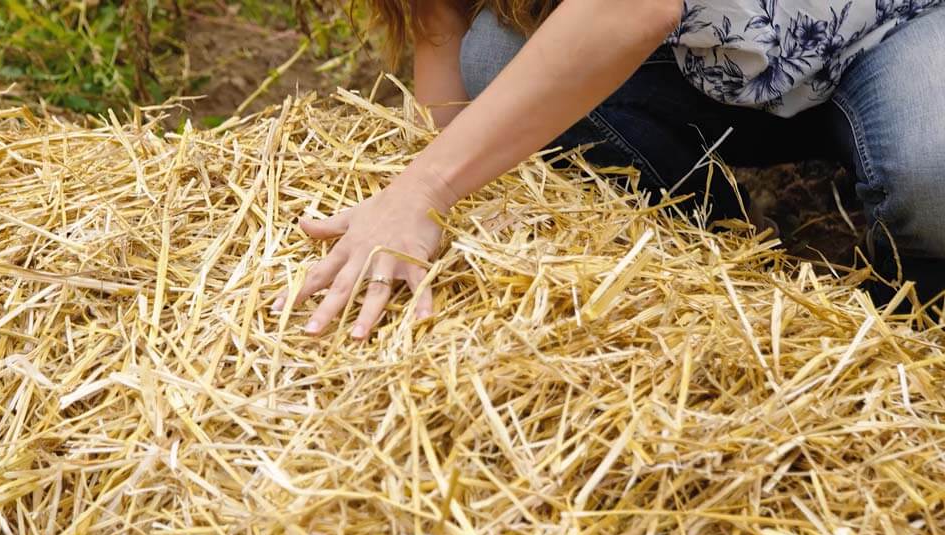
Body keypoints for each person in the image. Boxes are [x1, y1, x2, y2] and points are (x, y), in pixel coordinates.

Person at [271, 0, 945, 339]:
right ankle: (724, 252)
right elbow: (441, 59)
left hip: (890, 25)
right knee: (491, 71)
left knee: (933, 170)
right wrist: (406, 198)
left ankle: (907, 316)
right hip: (710, 58)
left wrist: (426, 186)